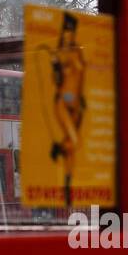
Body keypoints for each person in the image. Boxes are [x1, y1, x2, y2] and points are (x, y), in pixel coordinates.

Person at [39, 13, 87, 207]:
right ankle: (58, 148)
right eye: (66, 32)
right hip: (63, 103)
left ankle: (68, 189)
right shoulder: (59, 55)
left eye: (71, 32)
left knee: (71, 153)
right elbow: (56, 81)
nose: (69, 36)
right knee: (75, 142)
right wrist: (57, 67)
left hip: (77, 106)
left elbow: (81, 76)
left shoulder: (77, 54)